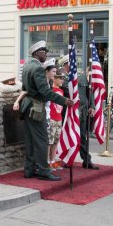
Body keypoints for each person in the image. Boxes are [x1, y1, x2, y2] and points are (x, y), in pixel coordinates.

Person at [21, 40, 74, 181]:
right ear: (37, 53)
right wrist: (64, 100)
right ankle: (44, 171)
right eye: (44, 52)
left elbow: (25, 88)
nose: (46, 54)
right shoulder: (38, 68)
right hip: (36, 107)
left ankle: (30, 169)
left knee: (31, 140)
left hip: (27, 106)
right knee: (42, 140)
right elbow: (45, 91)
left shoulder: (27, 66)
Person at [59, 54, 99, 170]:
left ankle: (87, 160)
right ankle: (68, 160)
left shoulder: (81, 77)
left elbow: (89, 92)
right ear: (65, 65)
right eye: (70, 64)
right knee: (70, 135)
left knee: (83, 136)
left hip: (83, 110)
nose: (73, 65)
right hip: (70, 111)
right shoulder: (62, 78)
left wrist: (91, 106)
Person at [48, 68, 66, 171]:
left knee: (55, 141)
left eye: (63, 78)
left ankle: (53, 161)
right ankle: (47, 162)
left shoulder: (61, 91)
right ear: (54, 78)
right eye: (60, 78)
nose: (62, 80)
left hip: (59, 118)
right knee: (49, 142)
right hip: (51, 118)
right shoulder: (50, 90)